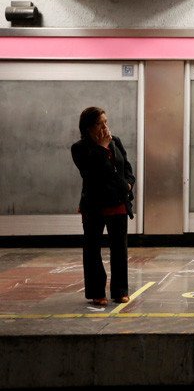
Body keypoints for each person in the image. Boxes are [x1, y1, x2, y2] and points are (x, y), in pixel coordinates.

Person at [71, 106, 135, 306]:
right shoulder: (80, 148)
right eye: (100, 123)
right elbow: (96, 172)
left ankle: (120, 291)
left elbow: (125, 166)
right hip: (94, 205)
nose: (105, 127)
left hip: (117, 203)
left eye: (106, 122)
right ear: (89, 127)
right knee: (92, 249)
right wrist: (101, 147)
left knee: (119, 249)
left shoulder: (115, 142)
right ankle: (97, 292)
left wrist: (129, 182)